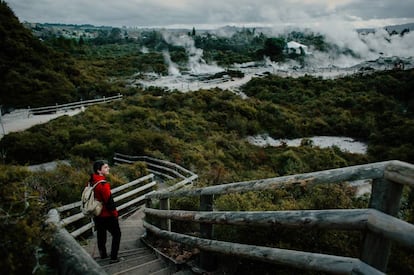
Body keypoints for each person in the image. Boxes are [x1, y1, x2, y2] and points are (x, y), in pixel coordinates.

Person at [90, 160, 121, 263]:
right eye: (106, 167)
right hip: (107, 215)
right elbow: (109, 202)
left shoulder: (91, 181)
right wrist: (115, 214)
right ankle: (113, 257)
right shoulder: (103, 184)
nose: (108, 169)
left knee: (101, 234)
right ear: (99, 170)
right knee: (117, 234)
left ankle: (103, 255)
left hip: (96, 214)